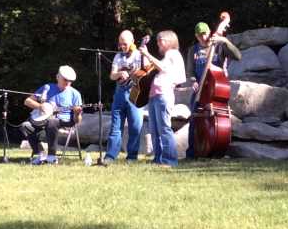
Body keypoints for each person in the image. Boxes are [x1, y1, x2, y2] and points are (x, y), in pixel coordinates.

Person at [185, 22, 242, 159]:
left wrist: (224, 40)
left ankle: (216, 149)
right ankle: (192, 153)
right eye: (199, 35)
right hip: (199, 92)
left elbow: (238, 56)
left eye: (204, 33)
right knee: (194, 121)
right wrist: (193, 81)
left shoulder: (219, 46)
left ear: (210, 31)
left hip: (216, 91)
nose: (203, 37)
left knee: (218, 122)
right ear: (196, 36)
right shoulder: (193, 50)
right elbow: (190, 71)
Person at [138, 30, 186, 167]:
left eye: (161, 39)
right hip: (155, 95)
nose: (158, 42)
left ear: (170, 41)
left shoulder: (173, 53)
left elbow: (163, 67)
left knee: (164, 128)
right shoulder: (165, 57)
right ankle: (158, 158)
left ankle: (170, 159)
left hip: (163, 95)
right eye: (157, 39)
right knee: (155, 129)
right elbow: (149, 67)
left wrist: (147, 54)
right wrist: (145, 52)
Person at [20, 65, 83, 165]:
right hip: (43, 120)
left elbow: (77, 121)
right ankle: (39, 154)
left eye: (70, 81)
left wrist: (77, 113)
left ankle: (51, 156)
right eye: (65, 79)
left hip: (64, 122)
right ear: (58, 77)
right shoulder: (47, 88)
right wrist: (40, 106)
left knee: (52, 121)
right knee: (25, 126)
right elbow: (27, 101)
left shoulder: (75, 94)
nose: (67, 83)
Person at [104, 30, 149, 163]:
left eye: (125, 44)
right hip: (119, 94)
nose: (122, 46)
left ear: (132, 42)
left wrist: (144, 56)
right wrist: (119, 74)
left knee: (135, 127)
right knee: (115, 127)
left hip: (135, 94)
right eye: (120, 44)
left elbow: (147, 70)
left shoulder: (139, 55)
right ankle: (110, 156)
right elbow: (112, 75)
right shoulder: (118, 56)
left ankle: (132, 157)